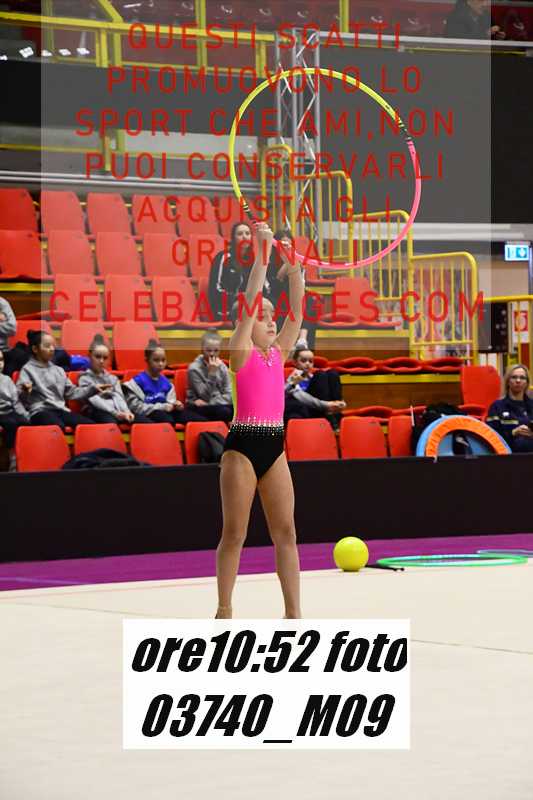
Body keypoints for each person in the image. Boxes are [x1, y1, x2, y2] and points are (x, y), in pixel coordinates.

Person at [216, 222, 305, 620]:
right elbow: (251, 297)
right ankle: (224, 608)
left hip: (274, 447)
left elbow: (297, 313)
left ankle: (293, 614)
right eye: (262, 316)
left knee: (286, 532)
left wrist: (295, 268)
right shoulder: (240, 352)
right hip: (242, 449)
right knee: (235, 533)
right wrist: (264, 251)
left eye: (272, 316)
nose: (271, 321)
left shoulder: (278, 354)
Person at [16, 330, 100, 428]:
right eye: (47, 346)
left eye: (53, 346)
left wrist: (93, 388)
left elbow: (71, 392)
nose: (52, 349)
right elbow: (19, 396)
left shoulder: (59, 370)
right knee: (57, 426)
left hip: (60, 410)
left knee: (90, 426)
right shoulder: (27, 369)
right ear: (35, 349)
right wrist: (25, 390)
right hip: (40, 412)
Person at [123, 340, 205, 425]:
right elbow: (136, 408)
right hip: (149, 414)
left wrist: (176, 405)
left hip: (166, 413)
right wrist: (162, 407)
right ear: (147, 360)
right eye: (156, 360)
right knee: (166, 419)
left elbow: (170, 403)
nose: (160, 364)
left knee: (198, 419)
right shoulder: (136, 382)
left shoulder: (168, 384)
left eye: (163, 360)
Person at [78, 335, 150, 425]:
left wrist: (127, 412)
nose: (101, 361)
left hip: (118, 410)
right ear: (89, 356)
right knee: (111, 423)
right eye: (97, 357)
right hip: (96, 411)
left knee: (145, 421)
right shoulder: (84, 378)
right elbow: (95, 401)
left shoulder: (113, 378)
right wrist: (116, 413)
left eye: (105, 358)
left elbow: (120, 397)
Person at [284, 345, 346, 430]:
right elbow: (300, 396)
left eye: (310, 361)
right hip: (309, 408)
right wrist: (326, 405)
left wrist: (340, 403)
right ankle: (329, 414)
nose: (307, 364)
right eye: (303, 361)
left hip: (322, 407)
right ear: (294, 362)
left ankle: (336, 410)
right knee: (320, 374)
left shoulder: (313, 377)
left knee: (333, 373)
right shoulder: (293, 378)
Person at [207, 221, 258, 321]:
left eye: (247, 233)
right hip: (225, 308)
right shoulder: (223, 257)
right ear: (233, 238)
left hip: (248, 306)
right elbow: (215, 289)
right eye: (240, 234)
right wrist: (237, 297)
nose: (244, 237)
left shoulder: (253, 261)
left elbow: (261, 287)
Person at [186, 332, 233, 423]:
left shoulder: (222, 366)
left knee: (245, 409)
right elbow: (204, 396)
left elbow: (229, 394)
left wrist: (212, 403)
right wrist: (212, 374)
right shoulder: (194, 369)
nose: (212, 354)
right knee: (225, 412)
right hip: (198, 407)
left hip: (214, 404)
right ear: (202, 350)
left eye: (216, 351)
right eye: (208, 350)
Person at [486, 364, 533, 453]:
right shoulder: (497, 406)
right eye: (514, 377)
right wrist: (513, 432)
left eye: (522, 378)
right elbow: (490, 436)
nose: (518, 380)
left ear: (527, 383)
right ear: (508, 381)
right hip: (508, 455)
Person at [0, 348, 29, 469]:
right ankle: (12, 458)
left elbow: (16, 402)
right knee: (11, 423)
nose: (0, 364)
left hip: (8, 412)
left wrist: (26, 415)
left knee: (24, 422)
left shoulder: (7, 380)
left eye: (1, 360)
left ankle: (24, 457)